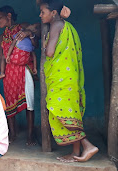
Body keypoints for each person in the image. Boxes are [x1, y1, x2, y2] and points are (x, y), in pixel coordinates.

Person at [39, 0, 98, 162]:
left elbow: (50, 52)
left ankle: (88, 146)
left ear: (54, 13)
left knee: (58, 110)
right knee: (70, 112)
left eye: (43, 12)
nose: (40, 15)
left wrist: (44, 45)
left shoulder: (56, 25)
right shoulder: (67, 26)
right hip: (69, 77)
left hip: (61, 79)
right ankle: (75, 153)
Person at [0, 5, 38, 146]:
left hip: (24, 69)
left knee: (29, 102)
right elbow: (1, 58)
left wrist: (30, 33)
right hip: (9, 72)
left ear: (9, 16)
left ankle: (30, 135)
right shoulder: (2, 37)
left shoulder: (23, 27)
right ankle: (13, 133)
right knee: (10, 103)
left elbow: (35, 43)